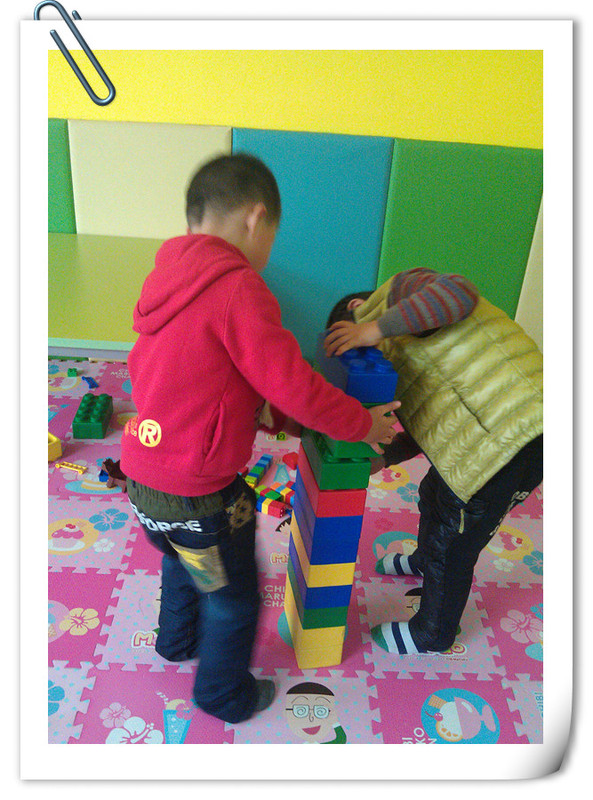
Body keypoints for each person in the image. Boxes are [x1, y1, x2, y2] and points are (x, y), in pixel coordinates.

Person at [120, 153, 400, 724]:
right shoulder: (238, 288)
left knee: (182, 560)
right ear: (255, 218)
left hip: (143, 480)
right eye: (272, 232)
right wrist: (361, 422)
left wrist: (271, 419)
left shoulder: (166, 277)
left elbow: (208, 378)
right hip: (200, 498)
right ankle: (222, 695)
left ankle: (175, 641)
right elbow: (292, 383)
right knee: (232, 598)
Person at [324, 267, 543, 656]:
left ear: (358, 307)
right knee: (433, 493)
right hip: (483, 442)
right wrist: (384, 458)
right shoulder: (401, 356)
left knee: (454, 544)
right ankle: (426, 560)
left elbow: (459, 291)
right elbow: (430, 425)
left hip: (518, 434)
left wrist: (371, 329)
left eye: (350, 342)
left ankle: (433, 633)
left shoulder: (402, 294)